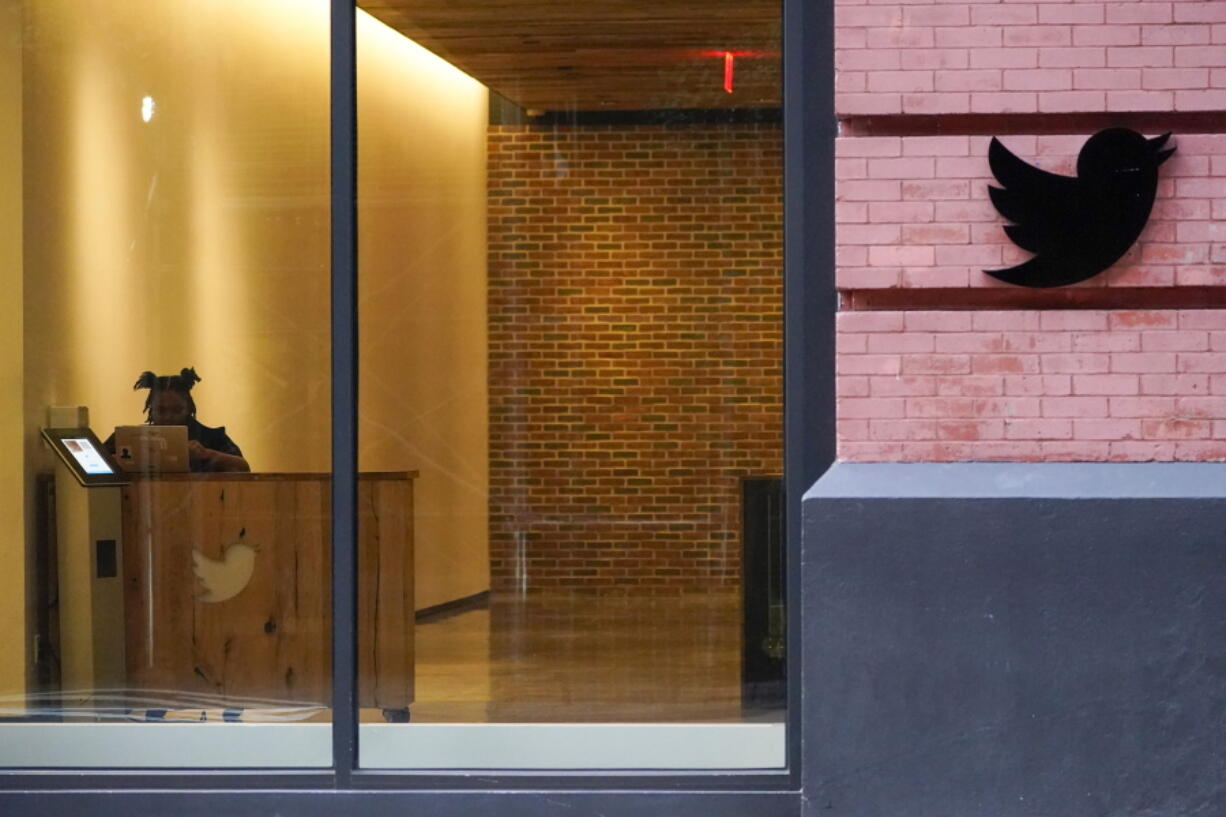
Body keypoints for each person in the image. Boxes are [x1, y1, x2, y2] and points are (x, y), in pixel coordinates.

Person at [109, 367, 250, 473]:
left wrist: (207, 454)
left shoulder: (211, 437)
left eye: (176, 410)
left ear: (188, 408)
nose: (169, 417)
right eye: (161, 410)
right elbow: (94, 463)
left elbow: (243, 467)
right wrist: (122, 459)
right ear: (151, 409)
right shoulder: (130, 438)